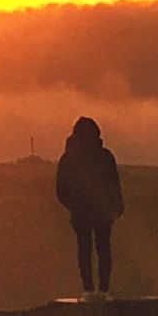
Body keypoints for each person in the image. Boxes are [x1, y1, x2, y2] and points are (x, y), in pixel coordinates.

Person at [54, 116, 126, 296]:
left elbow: (61, 189)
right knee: (101, 250)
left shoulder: (69, 158)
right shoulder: (104, 156)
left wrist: (73, 205)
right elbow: (114, 184)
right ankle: (100, 290)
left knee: (86, 250)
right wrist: (116, 205)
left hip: (85, 212)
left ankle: (91, 289)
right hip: (99, 211)